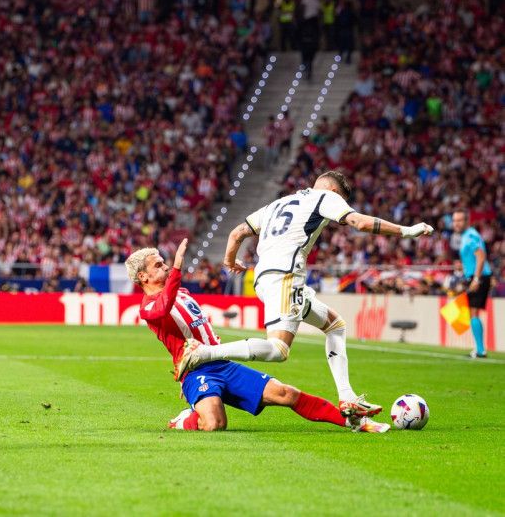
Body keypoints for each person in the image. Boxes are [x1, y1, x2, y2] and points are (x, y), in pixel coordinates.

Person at [180, 170, 433, 417]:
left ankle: (347, 397)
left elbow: (237, 233)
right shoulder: (326, 197)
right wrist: (407, 230)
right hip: (285, 276)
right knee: (278, 349)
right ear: (334, 191)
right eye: (342, 201)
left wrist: (230, 261)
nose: (341, 208)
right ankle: (204, 353)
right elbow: (360, 222)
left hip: (265, 278)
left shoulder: (277, 203)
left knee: (336, 325)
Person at [126, 238, 389, 433]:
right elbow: (163, 306)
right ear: (143, 276)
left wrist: (230, 262)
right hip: (197, 372)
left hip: (223, 363)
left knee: (286, 393)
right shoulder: (149, 307)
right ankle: (185, 418)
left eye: (165, 263)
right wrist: (178, 269)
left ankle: (354, 422)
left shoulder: (182, 293)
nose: (166, 267)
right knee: (216, 423)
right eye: (159, 265)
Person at [452, 209, 492, 358]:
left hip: (479, 277)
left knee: (473, 312)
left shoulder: (470, 235)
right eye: (455, 220)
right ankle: (479, 349)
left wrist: (476, 279)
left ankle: (481, 350)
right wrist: (463, 266)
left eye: (459, 220)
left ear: (467, 221)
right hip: (476, 276)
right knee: (471, 312)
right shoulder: (466, 236)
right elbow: (474, 259)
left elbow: (481, 257)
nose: (456, 223)